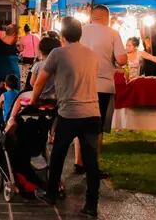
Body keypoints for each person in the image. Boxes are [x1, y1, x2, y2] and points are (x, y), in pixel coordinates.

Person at [30, 17, 100, 216]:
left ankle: (51, 194)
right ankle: (92, 204)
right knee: (91, 161)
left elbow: (39, 82)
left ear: (63, 35)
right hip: (92, 113)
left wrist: (34, 101)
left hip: (69, 113)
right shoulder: (91, 54)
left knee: (58, 155)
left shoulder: (57, 53)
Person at [78, 5, 127, 177]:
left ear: (91, 17)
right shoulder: (112, 33)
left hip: (81, 84)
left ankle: (78, 162)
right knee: (97, 127)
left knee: (80, 123)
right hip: (103, 85)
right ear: (107, 17)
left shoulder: (81, 31)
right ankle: (94, 166)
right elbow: (122, 59)